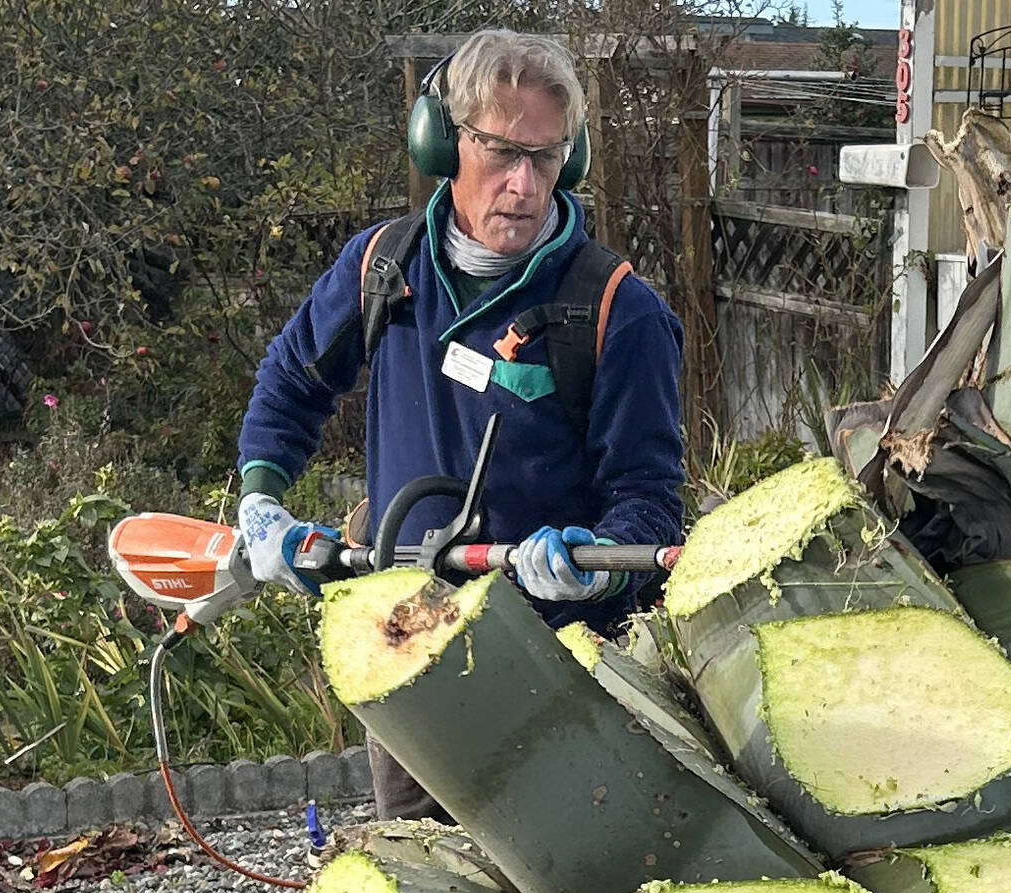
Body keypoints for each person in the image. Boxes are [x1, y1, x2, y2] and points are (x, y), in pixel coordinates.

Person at [233, 29, 686, 819]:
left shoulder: (617, 310)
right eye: (501, 151)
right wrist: (261, 503)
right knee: (424, 868)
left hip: (559, 669)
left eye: (545, 156)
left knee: (557, 869)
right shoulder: (383, 268)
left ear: (572, 158)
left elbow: (649, 499)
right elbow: (291, 381)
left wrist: (599, 560)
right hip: (409, 650)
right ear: (443, 143)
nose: (523, 183)